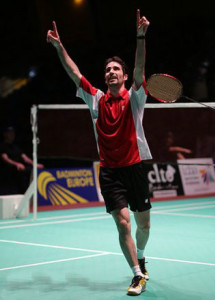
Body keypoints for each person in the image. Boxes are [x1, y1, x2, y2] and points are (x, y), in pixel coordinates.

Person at [47, 9, 151, 296]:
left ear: (125, 76)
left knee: (144, 223)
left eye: (116, 69)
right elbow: (74, 72)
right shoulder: (94, 99)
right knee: (122, 222)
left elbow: (140, 69)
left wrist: (140, 36)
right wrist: (59, 47)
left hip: (135, 167)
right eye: (107, 70)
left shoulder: (135, 98)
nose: (111, 72)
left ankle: (141, 255)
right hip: (110, 172)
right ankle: (136, 274)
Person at [0, 126, 44, 194]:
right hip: (7, 175)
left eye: (13, 133)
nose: (12, 135)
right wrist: (17, 164)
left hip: (18, 174)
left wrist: (35, 164)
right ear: (5, 134)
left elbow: (25, 158)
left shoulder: (16, 147)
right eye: (10, 133)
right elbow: (5, 159)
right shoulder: (2, 146)